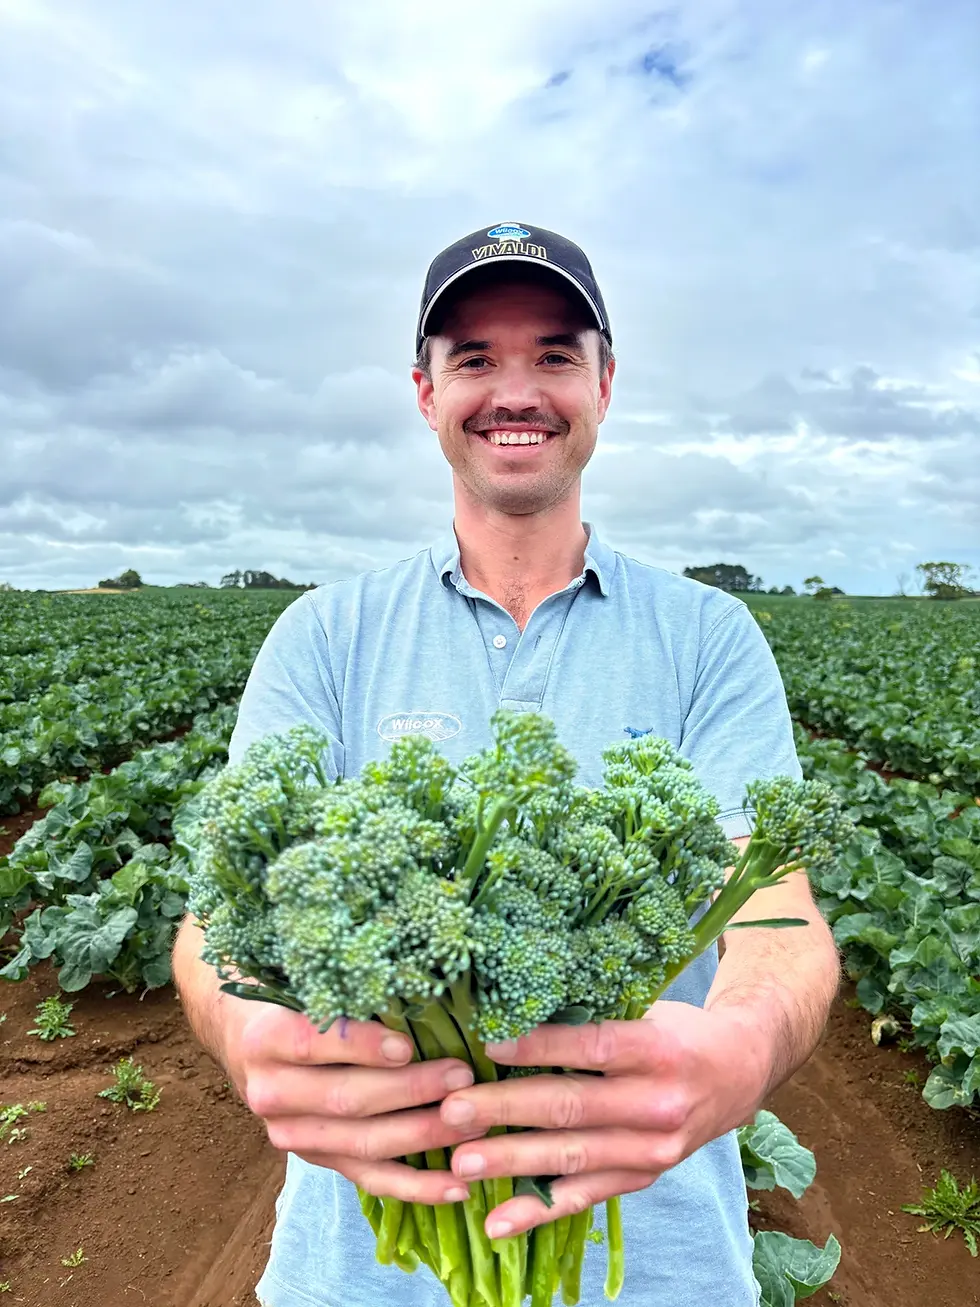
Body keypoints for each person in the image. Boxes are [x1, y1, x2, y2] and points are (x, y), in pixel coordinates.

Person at [173, 221, 840, 1306]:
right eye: (474, 358)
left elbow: (771, 911)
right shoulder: (321, 634)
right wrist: (248, 1028)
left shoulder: (708, 635)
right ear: (424, 391)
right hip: (360, 1271)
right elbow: (218, 915)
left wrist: (744, 1046)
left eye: (553, 354)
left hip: (658, 1270)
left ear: (605, 384)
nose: (514, 389)